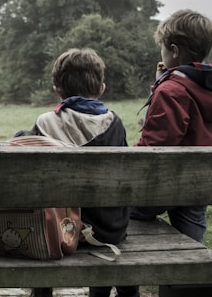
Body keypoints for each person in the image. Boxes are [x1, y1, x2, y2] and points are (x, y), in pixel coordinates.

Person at [21, 48, 137, 297]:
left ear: (57, 89)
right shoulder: (114, 124)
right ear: (101, 88)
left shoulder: (44, 123)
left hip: (58, 230)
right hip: (109, 230)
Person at [131, 9, 212, 244]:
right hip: (197, 184)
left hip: (163, 184)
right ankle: (191, 277)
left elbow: (155, 146)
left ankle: (126, 279)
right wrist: (161, 81)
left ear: (173, 50)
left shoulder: (172, 91)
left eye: (163, 49)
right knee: (193, 243)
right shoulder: (207, 85)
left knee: (116, 211)